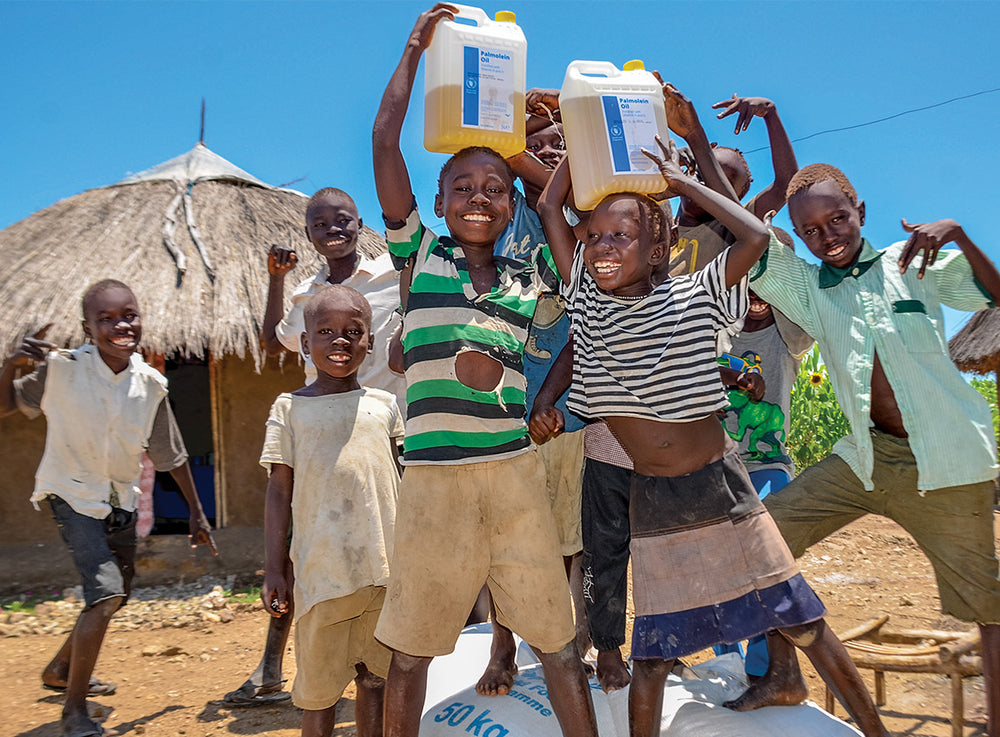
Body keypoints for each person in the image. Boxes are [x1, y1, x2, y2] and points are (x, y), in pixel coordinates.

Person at [534, 142, 888, 736]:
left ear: (660, 250)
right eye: (593, 237)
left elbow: (751, 238)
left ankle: (874, 731)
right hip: (654, 500)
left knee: (802, 621)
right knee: (652, 654)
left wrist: (683, 182)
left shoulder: (695, 294)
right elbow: (549, 205)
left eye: (621, 237)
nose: (601, 248)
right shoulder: (587, 302)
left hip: (724, 490)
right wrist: (580, 132)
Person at [370, 6, 598, 736]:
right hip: (433, 478)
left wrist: (519, 157)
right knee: (410, 652)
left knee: (558, 645)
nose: (477, 197)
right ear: (437, 203)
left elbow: (584, 297)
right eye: (461, 187)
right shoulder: (419, 257)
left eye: (493, 189)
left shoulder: (529, 276)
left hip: (512, 474)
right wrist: (414, 49)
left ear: (512, 207)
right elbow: (384, 140)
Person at [734, 163, 1000, 734]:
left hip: (948, 461)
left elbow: (995, 297)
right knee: (767, 538)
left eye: (838, 219)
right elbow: (749, 229)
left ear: (861, 213)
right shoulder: (808, 291)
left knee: (986, 610)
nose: (827, 235)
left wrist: (957, 232)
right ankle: (782, 673)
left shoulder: (914, 263)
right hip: (866, 458)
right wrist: (699, 153)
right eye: (810, 230)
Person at [0, 279, 216, 737]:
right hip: (70, 492)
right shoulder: (59, 370)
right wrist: (9, 366)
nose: (121, 324)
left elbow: (171, 455)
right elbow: (4, 405)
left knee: (118, 593)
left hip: (118, 498)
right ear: (87, 327)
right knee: (105, 590)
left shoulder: (150, 383)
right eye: (106, 318)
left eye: (129, 315)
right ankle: (74, 710)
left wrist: (197, 514)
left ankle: (62, 668)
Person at [225, 186, 405, 707]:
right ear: (309, 234)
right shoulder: (305, 292)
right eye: (321, 224)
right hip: (319, 436)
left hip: (379, 427)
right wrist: (276, 281)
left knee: (390, 553)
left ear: (359, 223)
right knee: (308, 548)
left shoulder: (391, 275)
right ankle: (274, 668)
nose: (333, 230)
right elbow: (273, 338)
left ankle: (405, 669)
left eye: (343, 220)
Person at [472, 96, 592, 698]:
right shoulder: (505, 213)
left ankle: (567, 643)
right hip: (508, 404)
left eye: (559, 149)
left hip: (565, 406)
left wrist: (549, 400)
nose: (546, 155)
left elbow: (584, 331)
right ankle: (502, 649)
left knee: (567, 535)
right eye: (536, 146)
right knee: (508, 536)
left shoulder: (590, 229)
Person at [260, 285, 403, 737]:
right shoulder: (289, 409)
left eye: (352, 331)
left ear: (370, 340)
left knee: (376, 682)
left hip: (385, 572)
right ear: (305, 344)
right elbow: (279, 493)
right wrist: (273, 567)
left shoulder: (383, 406)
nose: (340, 341)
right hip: (322, 577)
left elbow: (403, 482)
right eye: (325, 332)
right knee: (318, 696)